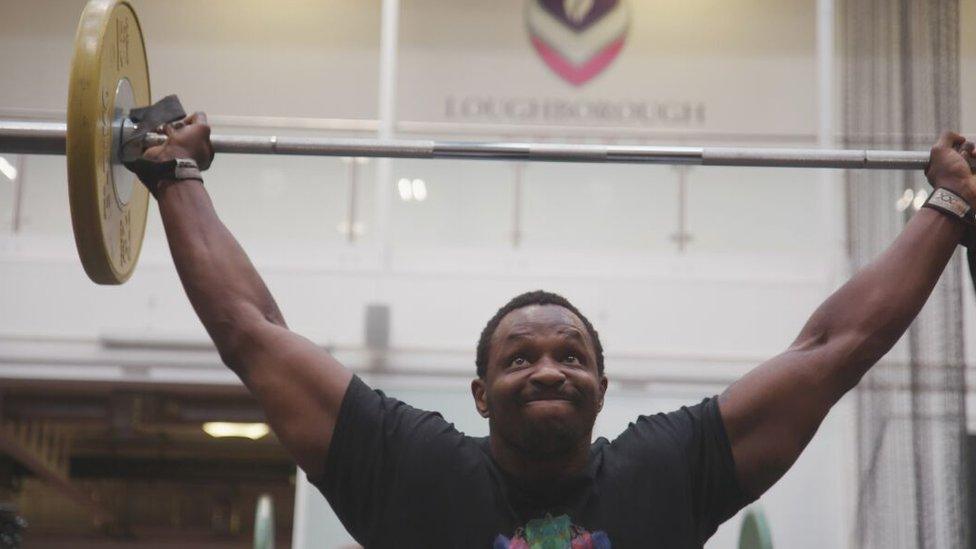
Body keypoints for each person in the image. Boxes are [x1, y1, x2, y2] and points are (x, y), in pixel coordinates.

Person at [139, 114, 976, 548]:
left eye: (571, 355)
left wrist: (947, 205)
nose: (548, 369)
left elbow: (832, 352)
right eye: (520, 357)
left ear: (603, 387)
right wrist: (175, 178)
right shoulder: (409, 466)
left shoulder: (667, 469)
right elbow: (252, 333)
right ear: (478, 391)